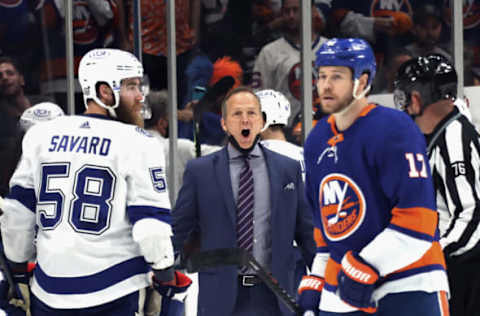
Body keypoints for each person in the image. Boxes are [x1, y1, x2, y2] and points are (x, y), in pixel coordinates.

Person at [0, 48, 190, 316]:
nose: (140, 96)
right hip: (114, 290)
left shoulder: (41, 135)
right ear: (104, 91)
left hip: (48, 289)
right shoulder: (138, 141)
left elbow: (17, 214)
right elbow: (150, 226)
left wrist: (18, 271)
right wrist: (165, 273)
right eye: (131, 86)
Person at [297, 38, 449, 316]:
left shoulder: (395, 128)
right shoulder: (316, 140)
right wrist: (317, 278)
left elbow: (419, 222)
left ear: (362, 80)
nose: (326, 85)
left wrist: (366, 265)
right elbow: (326, 231)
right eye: (321, 76)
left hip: (409, 283)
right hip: (344, 293)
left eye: (337, 76)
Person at [172, 86, 316, 316]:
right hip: (220, 297)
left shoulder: (287, 169)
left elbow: (306, 231)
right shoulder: (200, 171)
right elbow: (180, 227)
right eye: (237, 114)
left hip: (276, 295)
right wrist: (160, 268)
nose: (245, 120)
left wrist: (322, 279)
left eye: (252, 114)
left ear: (262, 122)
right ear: (224, 124)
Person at [394, 53, 480, 316]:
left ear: (418, 97)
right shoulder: (435, 134)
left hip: (464, 270)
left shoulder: (455, 139)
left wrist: (433, 255)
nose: (405, 101)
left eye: (408, 93)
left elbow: (472, 213)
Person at [251, 0, 329, 128]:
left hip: (326, 128)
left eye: (296, 10)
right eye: (287, 11)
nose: (291, 16)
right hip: (283, 131)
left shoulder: (330, 49)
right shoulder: (269, 52)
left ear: (313, 11)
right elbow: (259, 97)